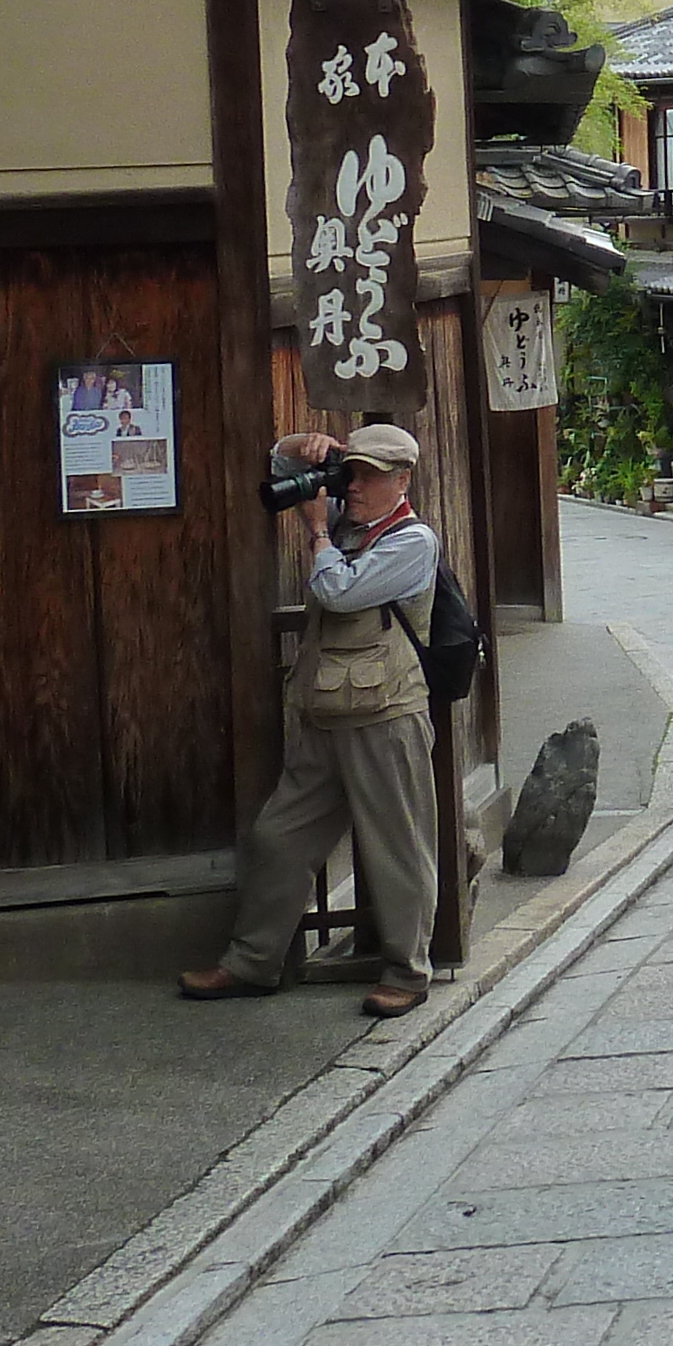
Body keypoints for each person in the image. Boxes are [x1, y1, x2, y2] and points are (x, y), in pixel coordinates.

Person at [182, 421, 441, 1018]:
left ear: (401, 480)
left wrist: (319, 531)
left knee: (397, 849)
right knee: (278, 837)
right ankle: (252, 963)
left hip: (385, 715)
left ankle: (407, 972)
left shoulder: (412, 541)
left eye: (369, 476)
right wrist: (299, 447)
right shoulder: (351, 522)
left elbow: (342, 592)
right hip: (324, 713)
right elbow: (276, 476)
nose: (353, 486)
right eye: (350, 472)